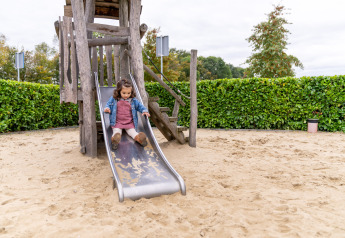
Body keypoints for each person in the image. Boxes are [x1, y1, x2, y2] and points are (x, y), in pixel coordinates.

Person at [104, 78, 150, 150]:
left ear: (131, 92)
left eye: (129, 93)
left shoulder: (133, 100)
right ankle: (115, 140)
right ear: (119, 91)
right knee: (117, 132)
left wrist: (144, 111)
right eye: (124, 93)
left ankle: (140, 138)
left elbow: (140, 106)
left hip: (129, 123)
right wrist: (107, 108)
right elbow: (108, 104)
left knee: (132, 133)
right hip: (117, 122)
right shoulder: (114, 99)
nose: (126, 95)